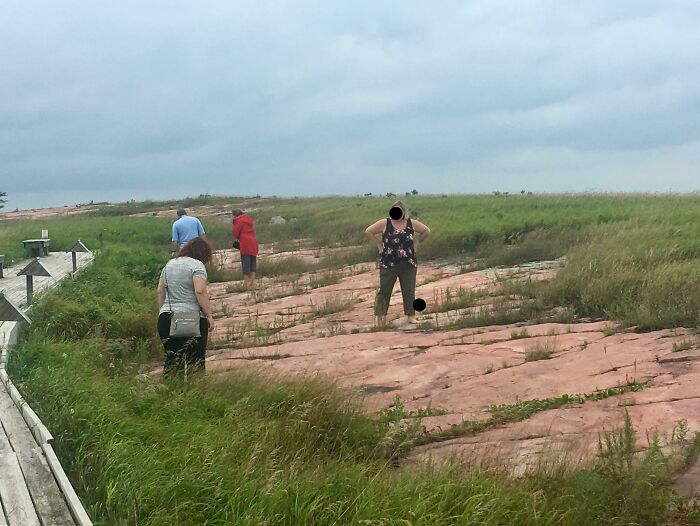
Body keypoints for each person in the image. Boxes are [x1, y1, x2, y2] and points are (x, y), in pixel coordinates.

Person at [364, 201, 430, 327]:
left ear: (403, 211)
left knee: (409, 290)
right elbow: (368, 231)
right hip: (389, 263)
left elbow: (427, 231)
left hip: (408, 262)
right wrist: (379, 244)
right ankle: (380, 318)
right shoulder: (385, 223)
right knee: (385, 290)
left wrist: (417, 243)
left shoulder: (411, 223)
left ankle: (410, 315)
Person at [157, 236, 215, 377]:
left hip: (166, 317)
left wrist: (162, 312)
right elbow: (199, 290)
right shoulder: (197, 266)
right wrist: (209, 315)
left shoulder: (169, 264)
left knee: (172, 361)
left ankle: (171, 395)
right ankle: (195, 395)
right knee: (194, 363)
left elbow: (160, 291)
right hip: (191, 318)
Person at [232, 209, 259, 288]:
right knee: (252, 261)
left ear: (235, 215)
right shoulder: (248, 220)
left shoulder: (239, 221)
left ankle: (246, 283)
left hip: (245, 242)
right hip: (253, 241)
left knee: (245, 261)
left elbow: (235, 233)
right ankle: (253, 282)